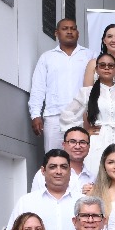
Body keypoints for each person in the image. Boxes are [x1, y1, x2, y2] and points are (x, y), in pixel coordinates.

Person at [30, 18, 94, 151]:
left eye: (73, 29)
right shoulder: (47, 57)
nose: (69, 32)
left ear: (78, 33)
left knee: (81, 156)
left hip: (82, 117)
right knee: (54, 157)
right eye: (65, 29)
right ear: (56, 33)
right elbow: (38, 88)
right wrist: (35, 115)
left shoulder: (90, 56)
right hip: (54, 117)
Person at [61, 54, 115, 177]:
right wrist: (84, 132)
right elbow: (67, 114)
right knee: (95, 172)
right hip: (98, 139)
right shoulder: (87, 92)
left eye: (110, 66)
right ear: (97, 69)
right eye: (102, 65)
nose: (106, 68)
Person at [7, 149, 76, 230]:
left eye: (63, 167)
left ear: (70, 171)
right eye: (53, 167)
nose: (58, 171)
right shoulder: (26, 202)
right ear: (43, 171)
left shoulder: (82, 202)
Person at [29, 127, 95, 195]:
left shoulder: (93, 178)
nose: (77, 146)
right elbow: (35, 200)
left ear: (89, 146)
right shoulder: (45, 173)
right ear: (64, 145)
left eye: (83, 142)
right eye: (72, 142)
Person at [83, 23, 115, 93]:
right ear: (104, 40)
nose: (114, 40)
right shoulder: (93, 63)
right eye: (110, 36)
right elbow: (86, 94)